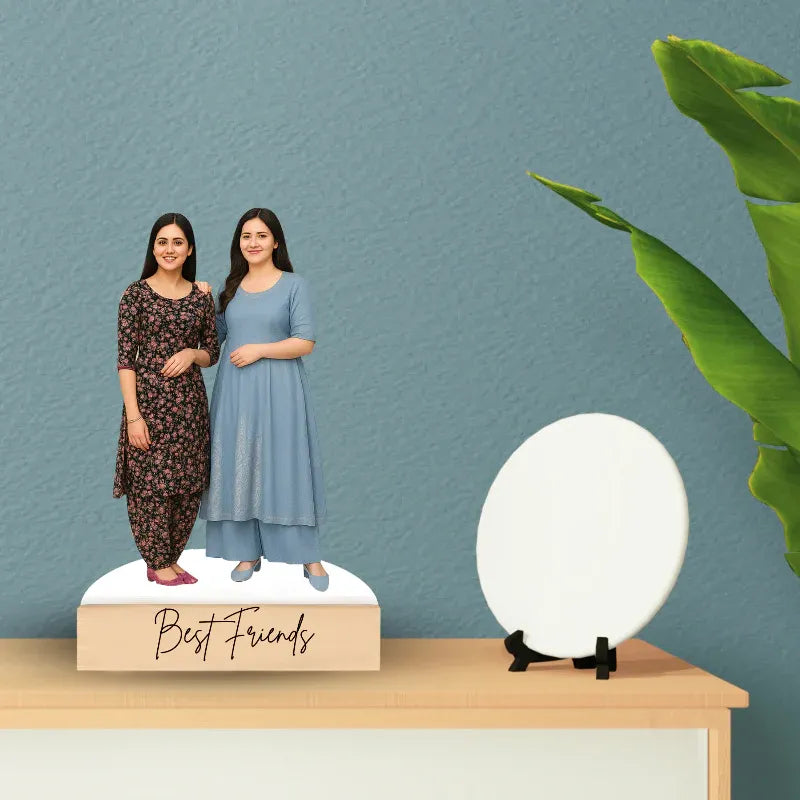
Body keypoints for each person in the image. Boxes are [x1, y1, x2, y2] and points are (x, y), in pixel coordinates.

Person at [198, 208, 329, 590]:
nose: (252, 243)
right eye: (245, 236)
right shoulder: (232, 287)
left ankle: (308, 556)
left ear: (275, 241)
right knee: (238, 467)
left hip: (281, 389)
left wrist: (259, 350)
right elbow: (212, 340)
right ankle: (246, 552)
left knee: (285, 467)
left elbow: (305, 341)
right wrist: (200, 300)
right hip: (235, 394)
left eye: (260, 235)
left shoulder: (294, 285)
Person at [113, 213, 220, 586]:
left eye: (177, 242)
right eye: (162, 242)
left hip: (189, 407)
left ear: (189, 249)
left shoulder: (200, 297)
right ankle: (156, 560)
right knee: (150, 485)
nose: (169, 249)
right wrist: (133, 417)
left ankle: (171, 557)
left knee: (187, 484)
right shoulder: (135, 294)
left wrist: (192, 354)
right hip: (149, 405)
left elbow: (212, 351)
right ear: (153, 247)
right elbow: (125, 360)